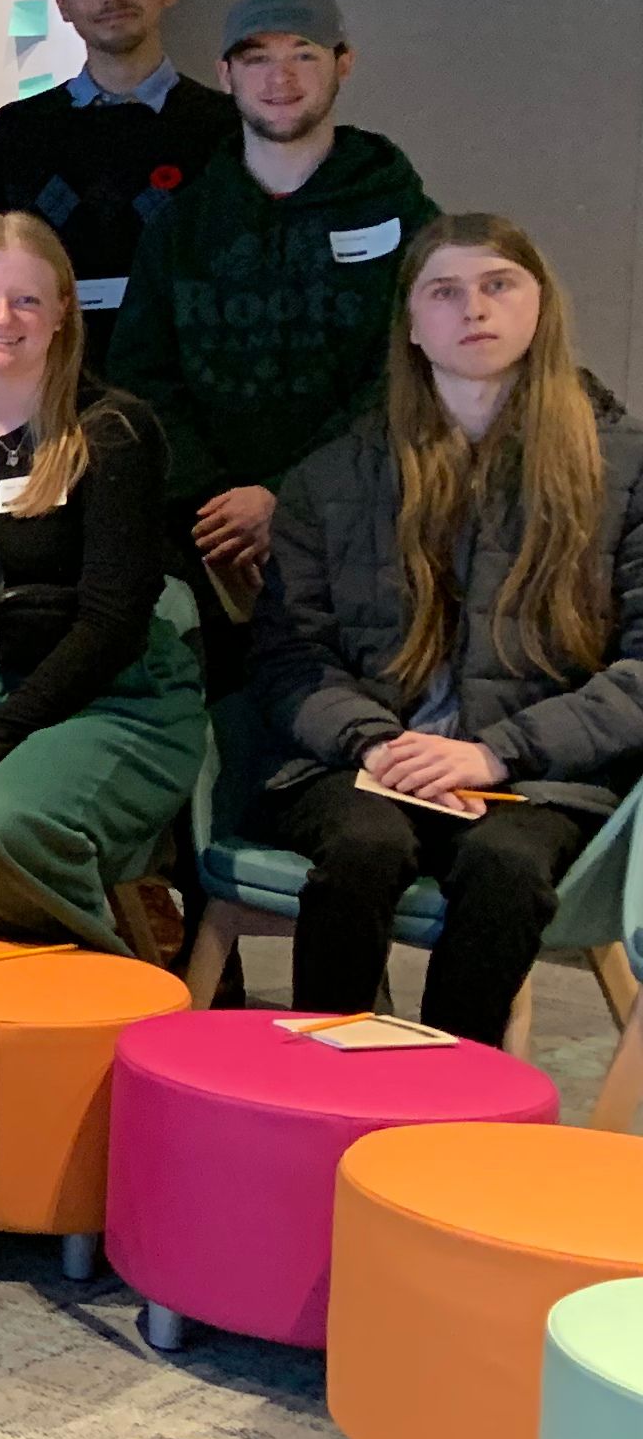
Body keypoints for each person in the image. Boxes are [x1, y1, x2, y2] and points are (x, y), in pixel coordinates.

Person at [248, 216, 643, 1040]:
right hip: (366, 757)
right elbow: (291, 652)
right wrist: (373, 743)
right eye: (445, 292)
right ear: (414, 327)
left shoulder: (624, 465)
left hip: (538, 771)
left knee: (504, 867)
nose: (475, 309)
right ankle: (327, 1084)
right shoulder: (334, 475)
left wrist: (498, 750)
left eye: (499, 284)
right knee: (362, 853)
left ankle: (453, 1106)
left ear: (540, 306)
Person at [0, 215, 205, 958]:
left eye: (28, 301)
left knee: (5, 833)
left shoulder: (113, 432)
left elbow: (113, 624)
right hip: (6, 714)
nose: (2, 319)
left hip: (124, 704)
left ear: (63, 312)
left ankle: (121, 1013)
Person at [112, 0, 436, 626]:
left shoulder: (402, 215)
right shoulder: (182, 226)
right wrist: (218, 505)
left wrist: (285, 497)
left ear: (344, 63)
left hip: (367, 533)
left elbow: (408, 372)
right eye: (256, 57)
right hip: (210, 540)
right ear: (225, 74)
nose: (279, 78)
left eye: (304, 54)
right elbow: (142, 375)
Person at [0, 0, 241, 373]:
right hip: (47, 388)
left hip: (196, 386)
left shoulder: (227, 128)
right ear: (64, 6)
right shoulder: (15, 133)